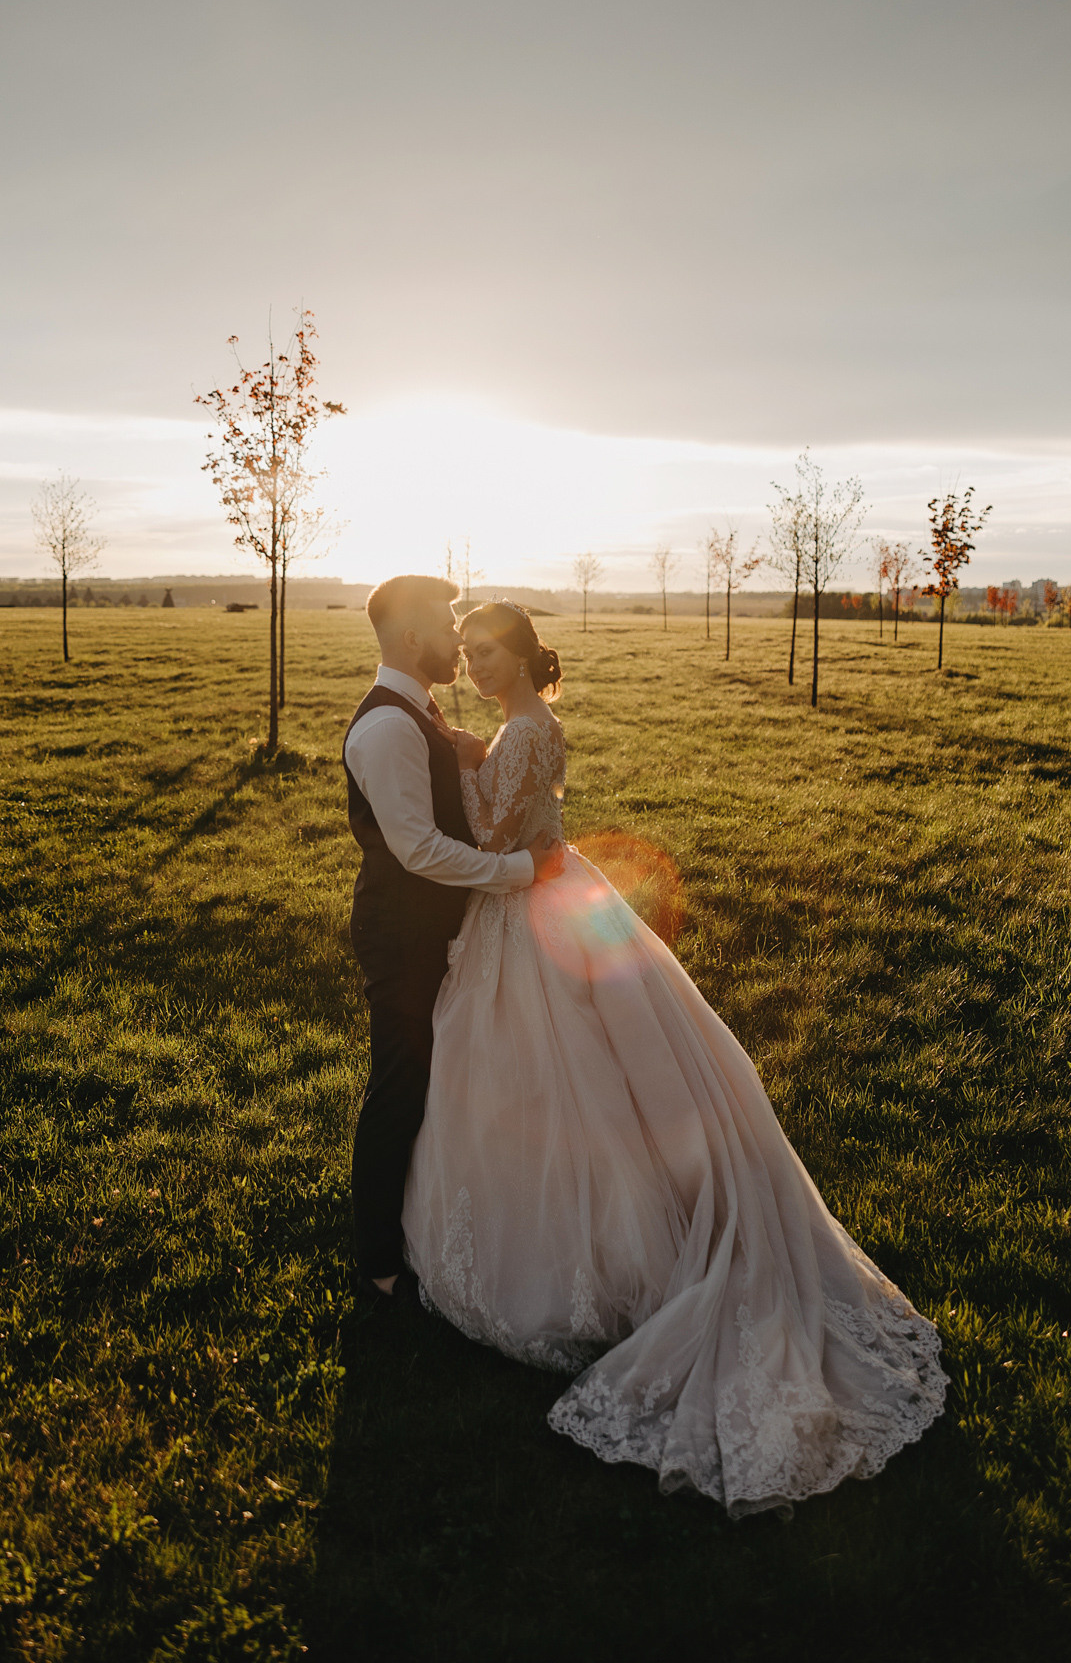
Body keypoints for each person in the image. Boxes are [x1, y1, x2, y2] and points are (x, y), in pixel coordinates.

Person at [402, 599, 947, 1517]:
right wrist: (470, 754)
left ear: (529, 656)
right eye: (467, 651)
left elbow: (491, 836)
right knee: (581, 1073)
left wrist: (450, 773)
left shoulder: (524, 732)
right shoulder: (528, 727)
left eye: (490, 651)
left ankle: (594, 1264)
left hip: (529, 907)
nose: (477, 663)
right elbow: (515, 803)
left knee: (557, 1078)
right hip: (558, 890)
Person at [342, 575, 564, 1304]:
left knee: (438, 1078)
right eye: (446, 628)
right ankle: (377, 1262)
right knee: (400, 1086)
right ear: (413, 638)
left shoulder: (421, 713)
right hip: (403, 934)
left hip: (440, 926)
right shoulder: (385, 726)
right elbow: (420, 850)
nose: (457, 645)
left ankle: (430, 1218)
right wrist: (519, 871)